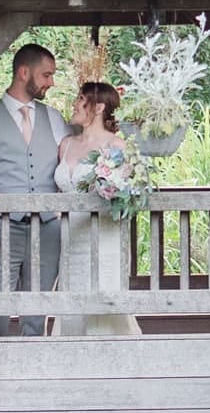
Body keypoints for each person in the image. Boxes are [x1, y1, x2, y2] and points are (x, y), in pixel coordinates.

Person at [0, 43, 68, 337]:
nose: (51, 82)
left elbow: (75, 163)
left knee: (36, 315)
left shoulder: (55, 119)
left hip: (47, 229)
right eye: (46, 75)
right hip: (2, 227)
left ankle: (29, 379)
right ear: (23, 72)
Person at [52, 82, 143, 337]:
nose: (74, 104)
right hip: (71, 240)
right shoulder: (66, 144)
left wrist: (112, 189)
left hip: (103, 238)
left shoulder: (118, 147)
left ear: (99, 107)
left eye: (80, 99)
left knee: (105, 298)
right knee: (72, 299)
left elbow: (130, 195)